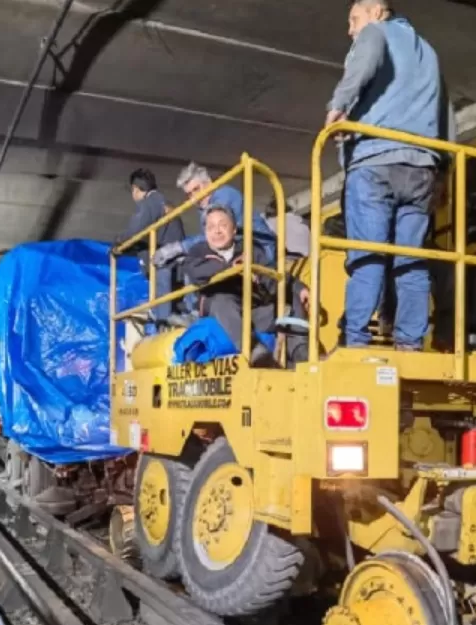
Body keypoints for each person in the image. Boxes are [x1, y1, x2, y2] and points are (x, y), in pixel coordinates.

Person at [327, 0, 447, 350]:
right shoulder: (429, 52)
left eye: (354, 19)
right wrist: (445, 168)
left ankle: (356, 341)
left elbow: (365, 60)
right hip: (422, 168)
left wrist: (337, 107)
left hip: (375, 162)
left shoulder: (375, 33)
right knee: (412, 260)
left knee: (368, 256)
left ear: (377, 10)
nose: (351, 30)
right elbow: (445, 109)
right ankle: (410, 343)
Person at [182, 207, 307, 366]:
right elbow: (195, 272)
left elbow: (273, 275)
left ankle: (301, 353)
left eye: (222, 225)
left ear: (234, 230)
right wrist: (234, 269)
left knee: (289, 302)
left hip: (252, 312)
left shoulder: (250, 250)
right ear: (205, 232)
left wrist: (299, 287)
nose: (217, 231)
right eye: (211, 227)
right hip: (222, 315)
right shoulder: (198, 252)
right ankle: (255, 351)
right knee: (222, 300)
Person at [153, 162, 279, 268]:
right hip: (240, 245)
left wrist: (179, 247)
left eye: (197, 189)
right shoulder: (205, 205)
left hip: (259, 246)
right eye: (190, 194)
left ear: (209, 183)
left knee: (198, 263)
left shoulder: (223, 196)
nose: (194, 197)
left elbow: (212, 236)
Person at [115, 169, 187, 329]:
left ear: (135, 188)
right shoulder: (164, 203)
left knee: (163, 311)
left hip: (164, 265)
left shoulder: (152, 201)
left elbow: (136, 230)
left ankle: (162, 327)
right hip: (175, 265)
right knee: (172, 304)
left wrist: (118, 243)